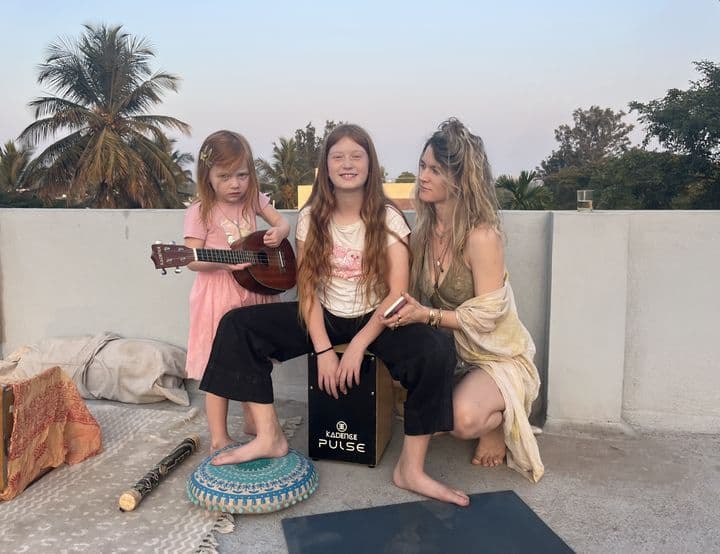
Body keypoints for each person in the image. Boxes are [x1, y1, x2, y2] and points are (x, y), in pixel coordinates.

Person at [200, 123, 469, 506]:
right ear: (325, 166)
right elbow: (308, 290)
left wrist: (358, 345)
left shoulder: (389, 218)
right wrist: (324, 349)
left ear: (370, 164)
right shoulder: (312, 217)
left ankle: (411, 468)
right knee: (237, 325)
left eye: (356, 156)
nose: (347, 164)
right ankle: (269, 436)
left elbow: (397, 295)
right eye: (337, 156)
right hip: (324, 315)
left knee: (436, 348)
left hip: (377, 318)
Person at [382, 118, 544, 483]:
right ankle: (459, 396)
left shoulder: (481, 237)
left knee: (461, 420)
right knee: (406, 399)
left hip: (494, 355)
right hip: (452, 353)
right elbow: (407, 292)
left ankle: (497, 424)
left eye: (435, 170)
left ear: (460, 179)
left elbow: (487, 318)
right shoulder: (423, 232)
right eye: (423, 166)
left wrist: (426, 316)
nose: (422, 176)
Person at [184, 130, 290, 448]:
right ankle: (219, 436)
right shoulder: (200, 211)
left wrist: (280, 231)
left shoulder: (253, 199)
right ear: (207, 176)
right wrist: (223, 262)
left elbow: (281, 222)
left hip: (254, 290)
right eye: (225, 176)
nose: (235, 184)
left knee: (253, 360)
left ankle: (253, 420)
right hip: (218, 296)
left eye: (242, 175)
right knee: (218, 366)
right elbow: (190, 259)